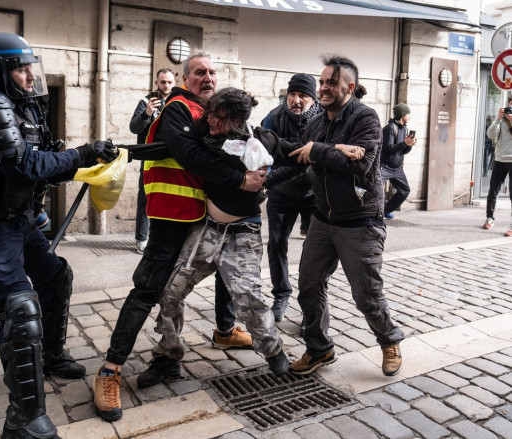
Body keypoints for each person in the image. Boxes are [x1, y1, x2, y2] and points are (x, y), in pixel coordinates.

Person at [0, 32, 117, 438]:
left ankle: (51, 356)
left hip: (18, 218)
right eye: (21, 68)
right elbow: (21, 166)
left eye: (29, 67)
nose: (28, 76)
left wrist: (86, 161)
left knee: (55, 277)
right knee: (20, 306)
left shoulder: (18, 105)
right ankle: (23, 419)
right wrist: (81, 155)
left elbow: (42, 162)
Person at [94, 53, 266, 423]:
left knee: (184, 287)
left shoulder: (215, 116)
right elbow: (190, 157)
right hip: (173, 216)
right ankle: (110, 369)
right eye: (199, 72)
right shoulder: (178, 108)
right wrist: (240, 180)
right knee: (148, 289)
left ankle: (182, 350)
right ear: (185, 79)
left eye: (212, 72)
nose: (207, 77)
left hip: (203, 216)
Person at [141, 87, 311, 387]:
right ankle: (168, 356)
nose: (212, 122)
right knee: (170, 291)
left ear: (237, 120)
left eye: (221, 118)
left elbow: (299, 159)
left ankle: (274, 354)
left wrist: (265, 180)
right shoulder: (200, 132)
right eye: (211, 114)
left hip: (243, 232)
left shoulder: (261, 140)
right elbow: (189, 153)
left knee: (249, 299)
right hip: (207, 229)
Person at [287, 55, 404, 378]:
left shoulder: (365, 118)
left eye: (330, 83)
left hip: (360, 222)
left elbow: (360, 165)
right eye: (321, 82)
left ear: (349, 87)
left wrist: (320, 150)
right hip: (324, 220)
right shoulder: (315, 122)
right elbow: (301, 159)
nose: (322, 88)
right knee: (309, 286)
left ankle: (389, 339)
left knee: (366, 293)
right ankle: (319, 348)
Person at [261, 73, 321, 322]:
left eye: (303, 95)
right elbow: (262, 154)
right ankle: (281, 294)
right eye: (292, 94)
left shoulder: (323, 120)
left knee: (317, 250)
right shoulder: (273, 117)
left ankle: (312, 305)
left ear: (313, 98)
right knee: (276, 244)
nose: (296, 100)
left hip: (313, 194)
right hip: (281, 193)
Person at [129, 68, 175, 254]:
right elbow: (133, 128)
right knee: (146, 199)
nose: (166, 85)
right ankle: (141, 239)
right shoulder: (145, 101)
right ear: (157, 83)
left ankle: (164, 238)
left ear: (175, 82)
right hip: (149, 158)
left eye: (170, 82)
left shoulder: (176, 102)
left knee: (169, 198)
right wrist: (146, 113)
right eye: (163, 82)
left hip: (170, 158)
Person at [380, 103, 416, 219]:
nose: (409, 116)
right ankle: (371, 212)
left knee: (404, 191)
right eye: (408, 114)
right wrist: (404, 143)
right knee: (374, 189)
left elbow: (402, 151)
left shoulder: (404, 128)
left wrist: (409, 145)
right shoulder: (391, 128)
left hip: (398, 168)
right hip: (385, 166)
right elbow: (388, 149)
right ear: (402, 115)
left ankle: (386, 210)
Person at [483, 96, 512, 237]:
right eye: (510, 107)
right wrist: (498, 119)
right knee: (493, 190)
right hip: (500, 160)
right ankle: (489, 218)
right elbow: (490, 135)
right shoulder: (501, 121)